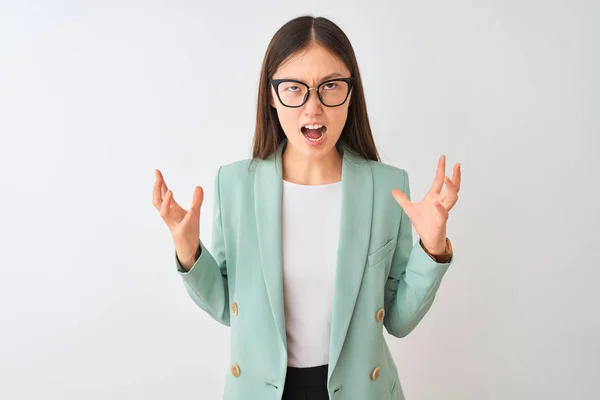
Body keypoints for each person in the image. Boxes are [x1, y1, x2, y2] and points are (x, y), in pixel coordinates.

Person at [152, 15, 461, 400]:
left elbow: (397, 319)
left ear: (351, 92)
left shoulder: (387, 187)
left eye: (330, 86)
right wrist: (189, 251)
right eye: (295, 89)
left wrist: (432, 248)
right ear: (271, 94)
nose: (313, 108)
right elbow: (226, 308)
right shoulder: (235, 184)